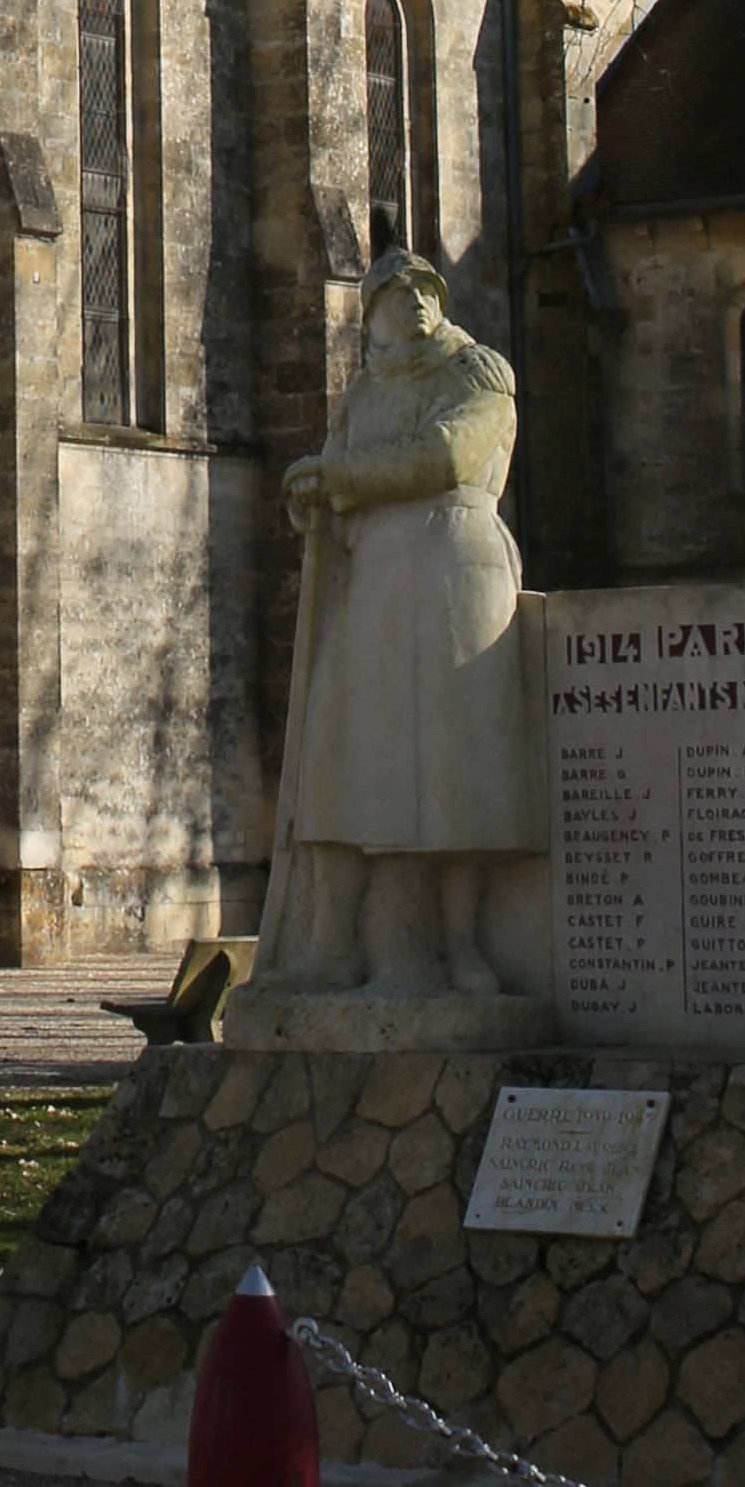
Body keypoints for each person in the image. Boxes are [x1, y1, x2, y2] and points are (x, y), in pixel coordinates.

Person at [250, 246, 547, 1004]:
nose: (415, 299)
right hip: (376, 578)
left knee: (456, 771)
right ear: (369, 310)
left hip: (454, 566)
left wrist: (338, 476)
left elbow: (448, 455)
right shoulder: (359, 398)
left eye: (426, 289)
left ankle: (459, 948)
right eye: (396, 290)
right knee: (344, 755)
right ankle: (334, 945)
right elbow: (341, 480)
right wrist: (312, 497)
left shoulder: (478, 372)